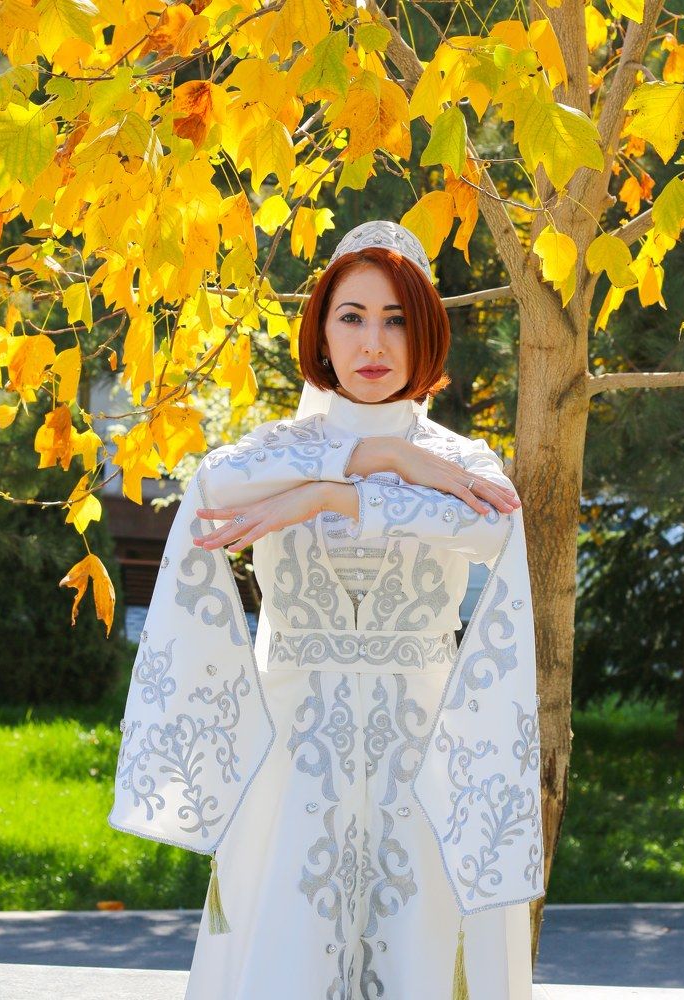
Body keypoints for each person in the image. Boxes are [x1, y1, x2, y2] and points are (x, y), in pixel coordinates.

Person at [109, 221, 544, 999]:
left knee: (416, 950)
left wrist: (332, 497)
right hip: (292, 755)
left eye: (396, 319)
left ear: (426, 331)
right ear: (321, 331)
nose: (373, 342)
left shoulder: (463, 463)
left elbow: (492, 528)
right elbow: (210, 491)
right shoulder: (274, 452)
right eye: (352, 316)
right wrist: (381, 456)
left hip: (422, 759)